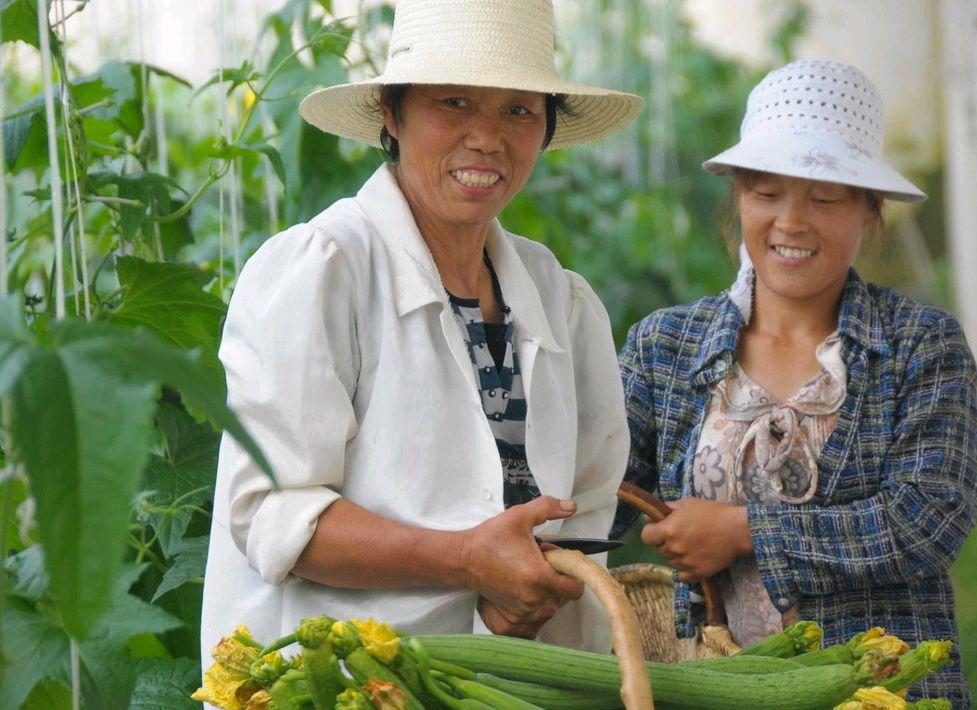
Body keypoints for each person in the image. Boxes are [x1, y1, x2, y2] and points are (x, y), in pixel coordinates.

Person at [200, 0, 644, 671]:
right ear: (391, 111)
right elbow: (270, 510)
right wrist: (467, 561)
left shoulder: (558, 297)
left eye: (518, 110)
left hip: (510, 681)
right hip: (342, 679)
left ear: (547, 127)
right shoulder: (325, 269)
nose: (487, 138)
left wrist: (527, 595)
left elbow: (584, 505)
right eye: (455, 102)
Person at [612, 59, 977, 706]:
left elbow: (930, 516)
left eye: (824, 196)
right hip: (708, 684)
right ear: (738, 199)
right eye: (765, 193)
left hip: (880, 688)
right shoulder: (663, 347)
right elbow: (597, 487)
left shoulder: (920, 346)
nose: (790, 221)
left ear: (870, 211)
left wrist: (743, 531)